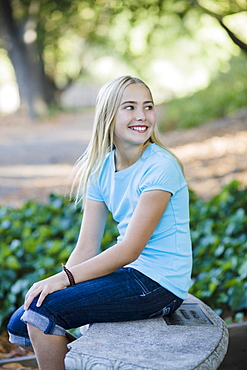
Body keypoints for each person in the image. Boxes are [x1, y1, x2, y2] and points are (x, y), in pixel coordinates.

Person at [7, 76, 192, 370]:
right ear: (108, 116)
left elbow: (130, 248)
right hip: (131, 274)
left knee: (43, 317)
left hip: (161, 284)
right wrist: (60, 284)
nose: (142, 115)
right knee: (23, 319)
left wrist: (65, 281)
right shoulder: (100, 169)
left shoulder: (161, 166)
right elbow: (86, 247)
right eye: (129, 107)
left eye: (148, 106)